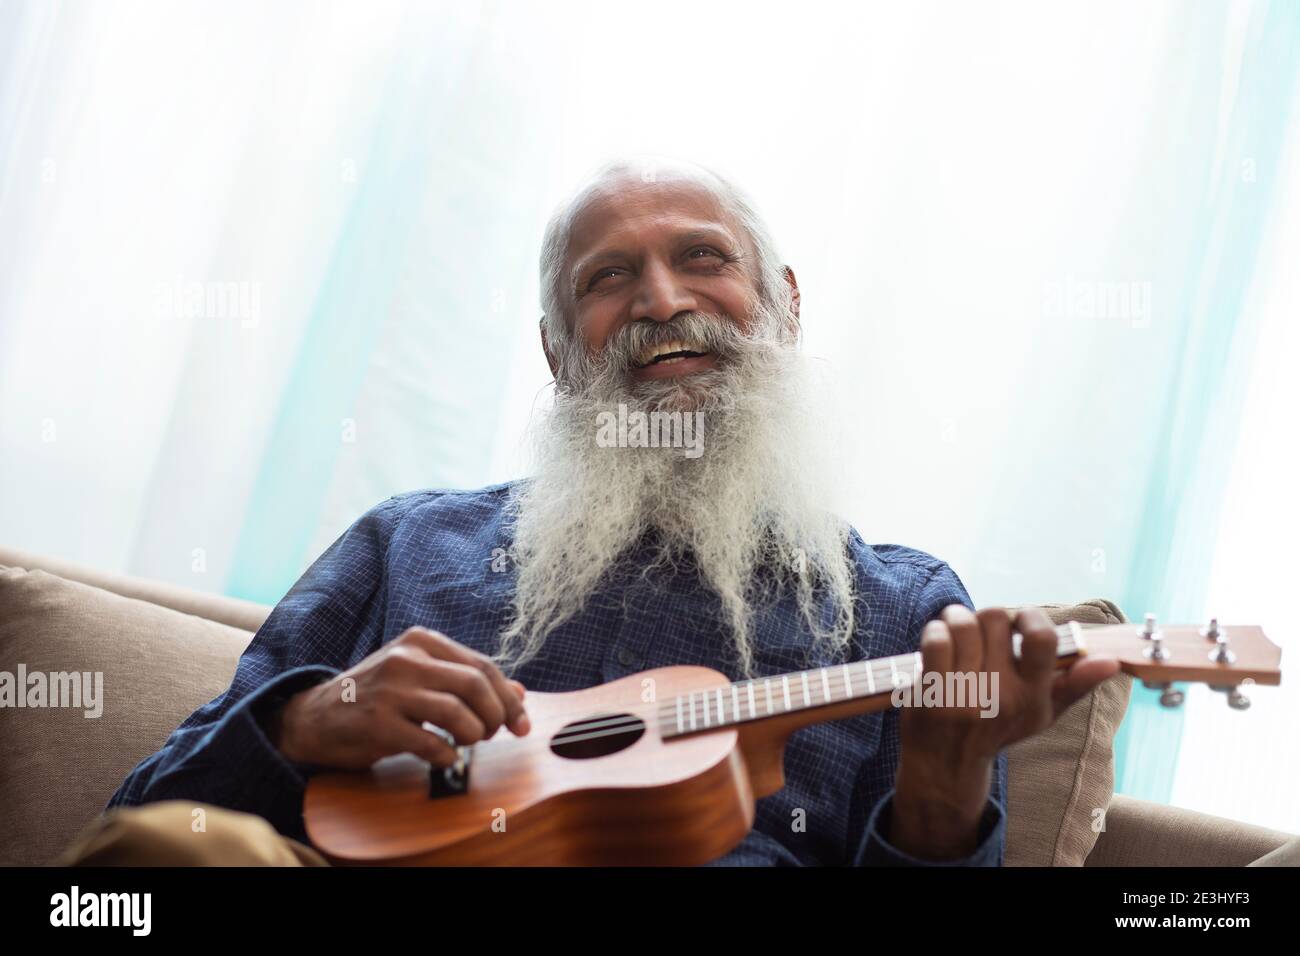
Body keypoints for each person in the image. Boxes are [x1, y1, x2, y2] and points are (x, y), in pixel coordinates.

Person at [62, 156, 1119, 867]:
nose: (661, 301)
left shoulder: (903, 608)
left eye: (702, 257)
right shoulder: (411, 542)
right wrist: (304, 720)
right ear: (557, 354)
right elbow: (135, 822)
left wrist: (945, 787)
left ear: (786, 305)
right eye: (607, 278)